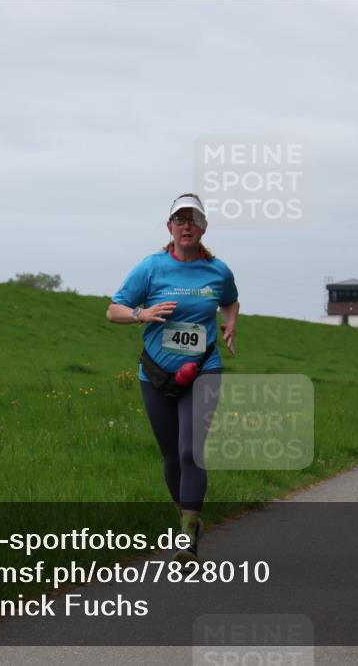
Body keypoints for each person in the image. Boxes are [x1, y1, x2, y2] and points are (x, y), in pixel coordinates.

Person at [106, 193, 239, 563]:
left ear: (203, 228)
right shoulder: (150, 268)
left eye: (193, 220)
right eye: (179, 220)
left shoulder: (218, 270)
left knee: (189, 450)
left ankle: (186, 536)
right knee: (171, 456)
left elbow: (230, 299)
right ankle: (188, 518)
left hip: (203, 369)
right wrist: (141, 314)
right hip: (156, 373)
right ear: (169, 227)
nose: (186, 226)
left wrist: (230, 321)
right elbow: (113, 310)